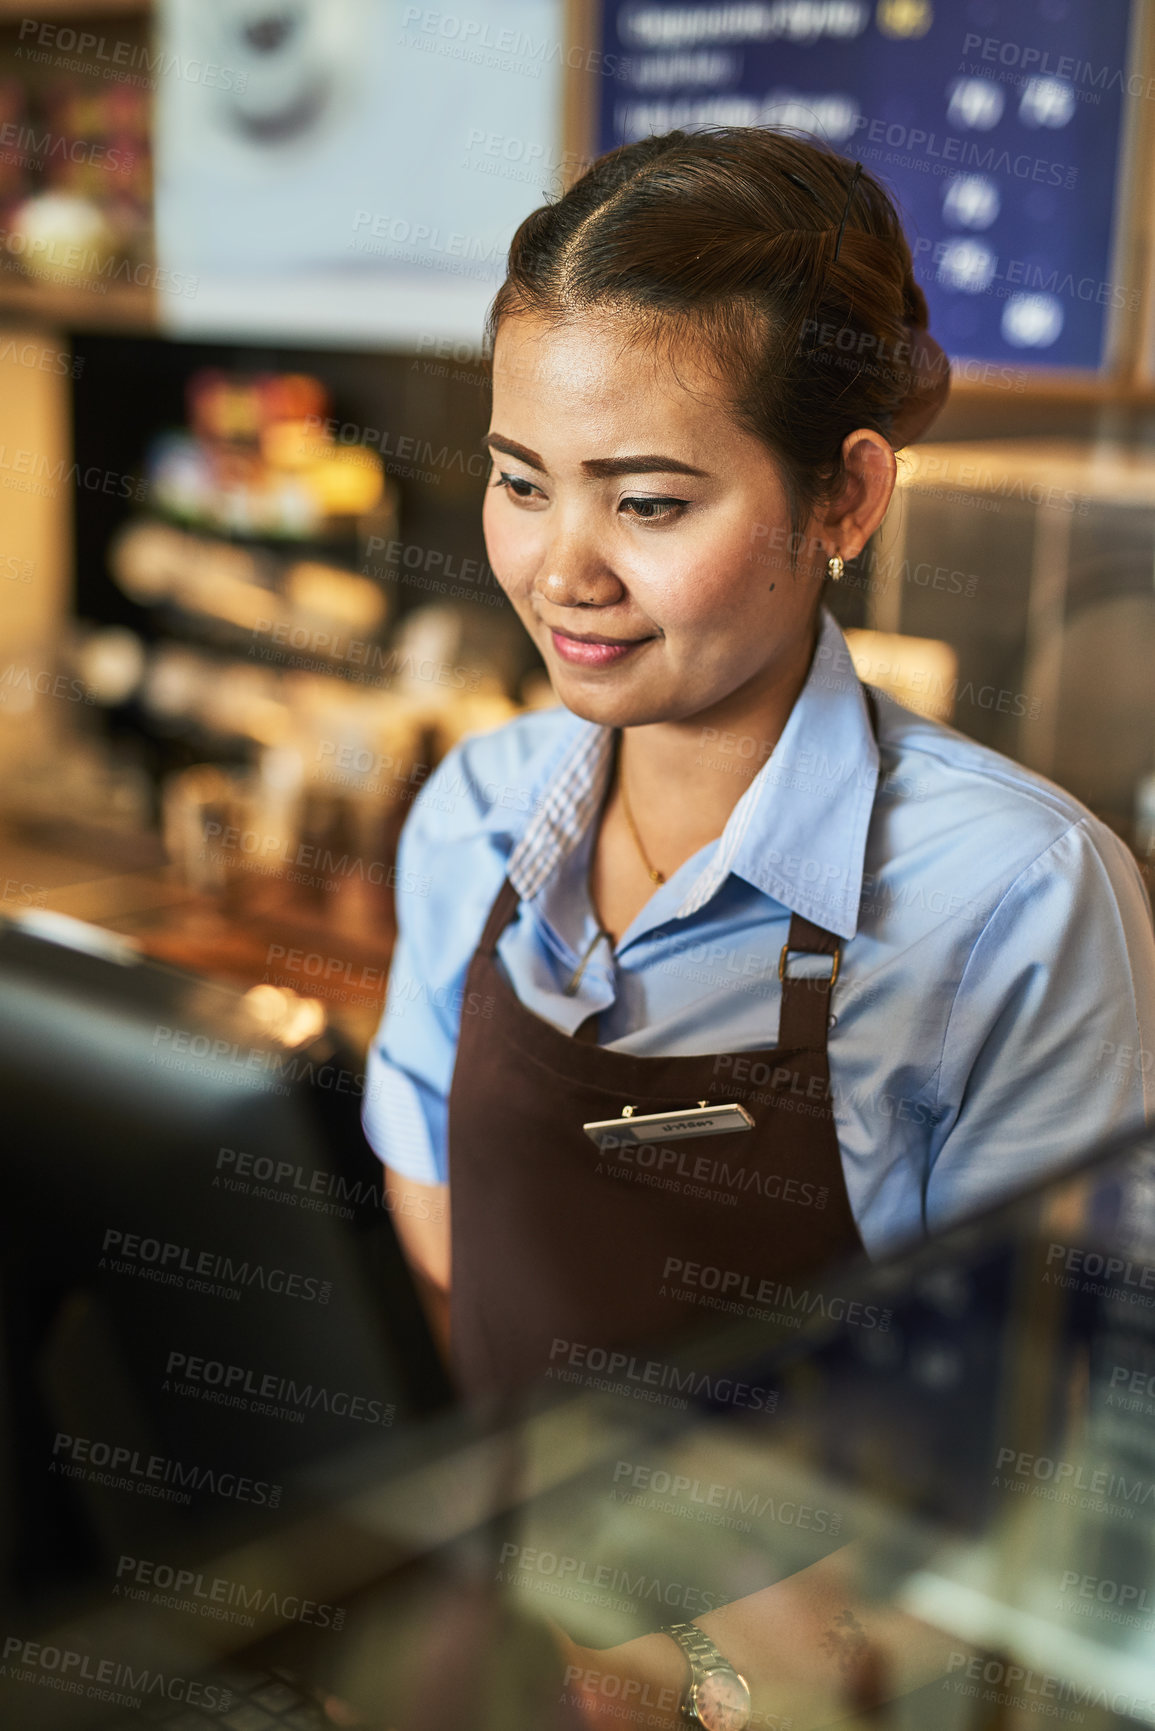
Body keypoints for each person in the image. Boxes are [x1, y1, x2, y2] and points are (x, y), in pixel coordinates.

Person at [358, 127, 1155, 1722]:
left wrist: (717, 1664)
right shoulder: (476, 813)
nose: (560, 568)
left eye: (648, 500)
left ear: (846, 492)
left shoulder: (1013, 896)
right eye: (522, 483)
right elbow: (445, 1213)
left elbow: (1069, 1431)